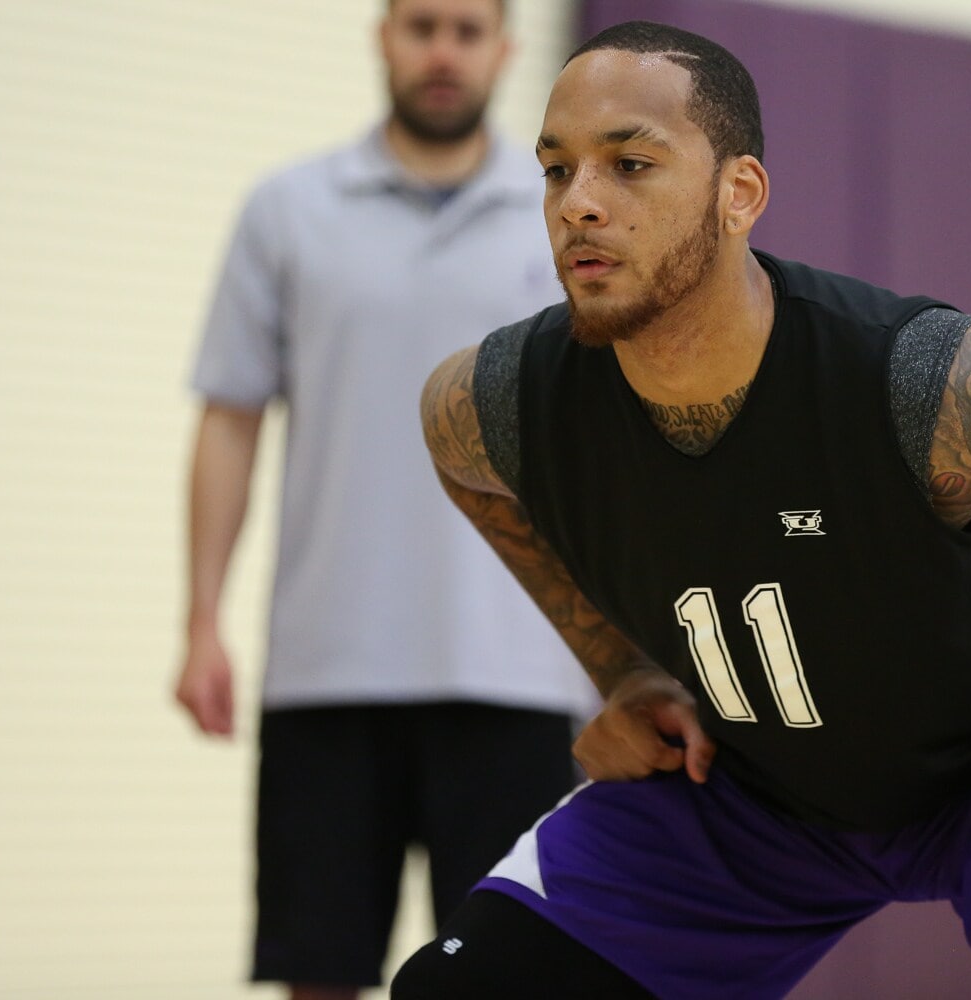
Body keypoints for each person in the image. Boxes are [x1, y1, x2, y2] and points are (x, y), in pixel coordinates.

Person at [393, 20, 971, 1000]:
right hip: (757, 788)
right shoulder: (505, 401)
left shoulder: (925, 386)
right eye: (556, 171)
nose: (580, 205)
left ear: (740, 194)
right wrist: (625, 671)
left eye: (629, 163)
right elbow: (460, 460)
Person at [173, 1, 596, 997]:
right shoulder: (287, 209)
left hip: (521, 674)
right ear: (382, 37)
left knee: (514, 980)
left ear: (502, 47)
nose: (441, 50)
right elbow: (229, 417)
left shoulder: (569, 219)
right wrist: (200, 621)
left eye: (464, 28)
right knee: (319, 971)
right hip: (327, 674)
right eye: (421, 25)